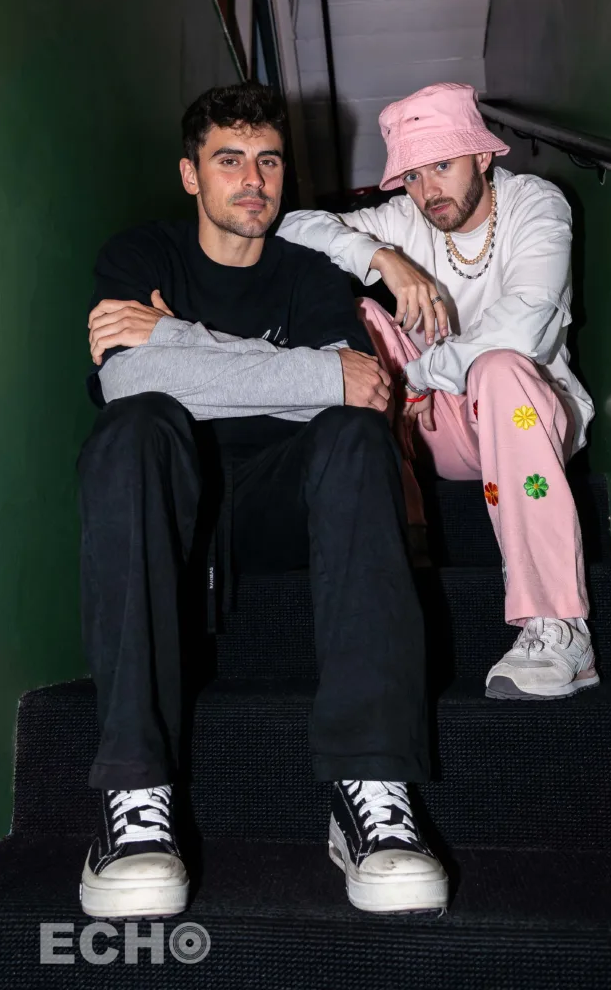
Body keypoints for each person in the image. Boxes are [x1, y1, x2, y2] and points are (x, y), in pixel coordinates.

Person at [76, 81, 449, 920]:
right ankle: (135, 806)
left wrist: (177, 341)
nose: (254, 179)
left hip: (291, 505)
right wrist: (306, 373)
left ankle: (373, 791)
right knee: (134, 428)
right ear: (189, 175)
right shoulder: (140, 257)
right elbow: (130, 377)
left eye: (269, 160)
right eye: (229, 160)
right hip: (171, 507)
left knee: (355, 439)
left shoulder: (310, 274)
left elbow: (361, 396)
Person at [278, 82, 598, 703]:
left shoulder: (538, 205)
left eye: (442, 167)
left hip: (527, 413)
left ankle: (559, 625)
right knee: (359, 316)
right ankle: (400, 525)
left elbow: (525, 325)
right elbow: (292, 229)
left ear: (483, 156)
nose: (429, 192)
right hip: (435, 425)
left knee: (500, 368)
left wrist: (416, 374)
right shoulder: (404, 220)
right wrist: (381, 258)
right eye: (415, 176)